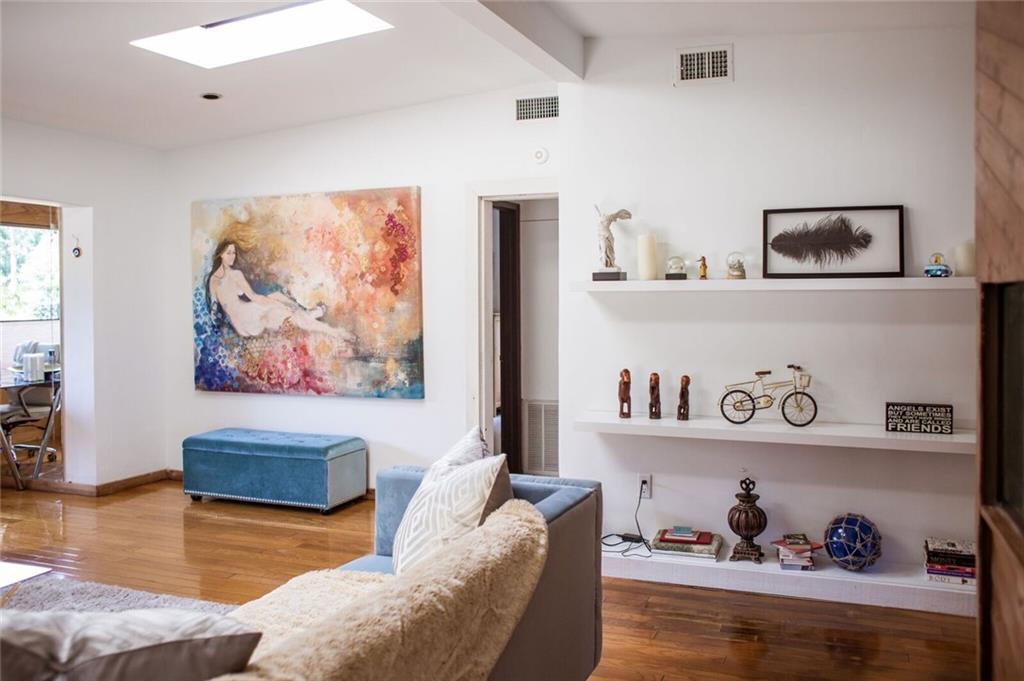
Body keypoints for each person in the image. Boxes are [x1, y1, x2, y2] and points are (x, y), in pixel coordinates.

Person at [206, 241, 353, 341]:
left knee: (276, 296)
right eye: (229, 253)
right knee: (291, 314)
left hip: (240, 326)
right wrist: (280, 306)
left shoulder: (212, 279)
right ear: (220, 254)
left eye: (234, 253)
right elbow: (256, 298)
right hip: (251, 318)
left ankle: (312, 313)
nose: (233, 256)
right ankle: (335, 332)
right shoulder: (235, 275)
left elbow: (214, 309)